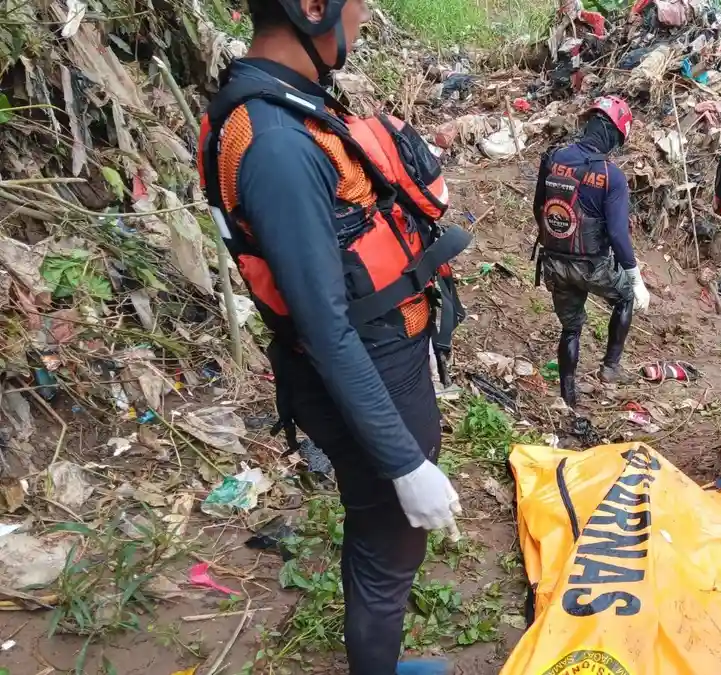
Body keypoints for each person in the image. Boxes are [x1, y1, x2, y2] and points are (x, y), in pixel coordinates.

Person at [196, 1, 469, 672]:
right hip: (364, 369)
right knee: (388, 551)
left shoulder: (286, 105)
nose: (365, 20)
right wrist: (404, 462)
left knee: (380, 536)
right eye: (357, 7)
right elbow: (323, 324)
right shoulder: (276, 144)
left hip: (379, 357)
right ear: (312, 8)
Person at [533, 95, 651, 408]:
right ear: (613, 133)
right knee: (624, 297)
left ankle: (568, 399)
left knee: (570, 329)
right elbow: (616, 233)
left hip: (554, 262)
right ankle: (610, 368)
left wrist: (556, 242)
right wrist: (634, 276)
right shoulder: (611, 176)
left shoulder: (553, 157)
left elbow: (538, 209)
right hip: (592, 265)